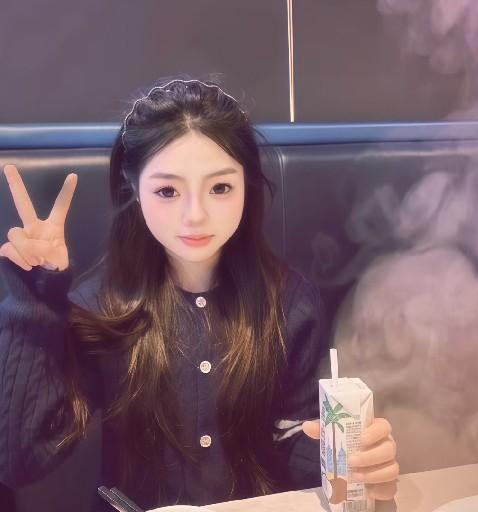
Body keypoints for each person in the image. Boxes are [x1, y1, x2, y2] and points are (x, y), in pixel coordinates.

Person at [0, 78, 398, 510]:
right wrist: (35, 299)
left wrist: (352, 464)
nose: (195, 215)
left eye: (220, 188)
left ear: (246, 185)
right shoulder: (104, 307)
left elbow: (295, 444)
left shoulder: (290, 303)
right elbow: (19, 460)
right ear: (134, 190)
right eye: (167, 191)